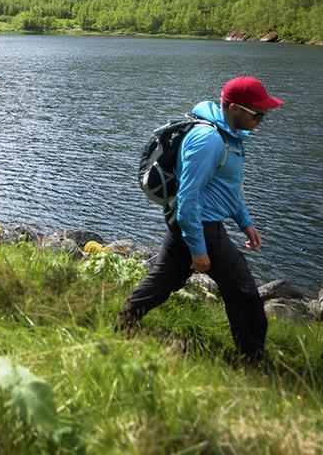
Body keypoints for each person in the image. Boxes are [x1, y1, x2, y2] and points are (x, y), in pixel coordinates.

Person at [119, 76, 284, 362]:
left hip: (192, 225)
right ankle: (253, 360)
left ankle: (121, 325)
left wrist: (245, 221)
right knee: (243, 292)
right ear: (234, 108)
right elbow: (189, 196)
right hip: (201, 227)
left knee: (162, 282)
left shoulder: (228, 136)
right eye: (257, 113)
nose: (262, 119)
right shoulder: (208, 140)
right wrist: (198, 248)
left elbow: (226, 188)